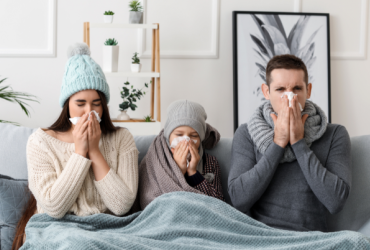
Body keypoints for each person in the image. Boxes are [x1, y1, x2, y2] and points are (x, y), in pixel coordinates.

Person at [12, 43, 139, 249]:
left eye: (96, 103)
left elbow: (122, 205)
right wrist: (80, 152)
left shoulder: (122, 139)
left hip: (108, 231)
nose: (89, 111)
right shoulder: (40, 142)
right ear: (67, 104)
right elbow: (54, 207)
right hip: (56, 230)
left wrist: (95, 150)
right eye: (80, 104)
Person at [228, 54, 351, 232]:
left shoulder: (335, 134)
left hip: (312, 239)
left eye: (297, 89)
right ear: (266, 91)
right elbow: (238, 199)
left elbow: (336, 202)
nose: (289, 98)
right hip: (261, 238)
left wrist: (299, 142)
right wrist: (278, 143)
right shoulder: (246, 133)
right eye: (280, 90)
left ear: (308, 90)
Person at [138, 100, 224, 209]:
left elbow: (219, 205)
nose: (186, 140)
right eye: (179, 134)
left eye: (193, 136)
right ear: (168, 136)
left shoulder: (210, 162)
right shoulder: (154, 160)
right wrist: (179, 171)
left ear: (201, 138)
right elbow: (149, 202)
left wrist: (193, 172)